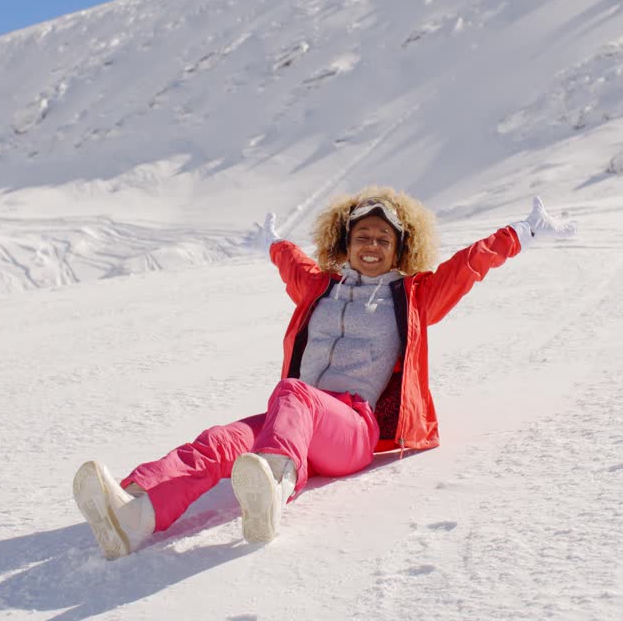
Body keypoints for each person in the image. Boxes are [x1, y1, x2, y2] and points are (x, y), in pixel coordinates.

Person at [73, 187, 574, 559]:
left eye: (383, 239)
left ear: (401, 248)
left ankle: (275, 486)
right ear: (345, 242)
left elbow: (469, 266)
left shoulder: (414, 296)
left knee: (293, 393)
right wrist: (271, 242)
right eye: (362, 237)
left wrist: (521, 232)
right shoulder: (321, 289)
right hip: (292, 421)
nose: (371, 245)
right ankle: (135, 514)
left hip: (352, 429)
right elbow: (291, 262)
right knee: (220, 440)